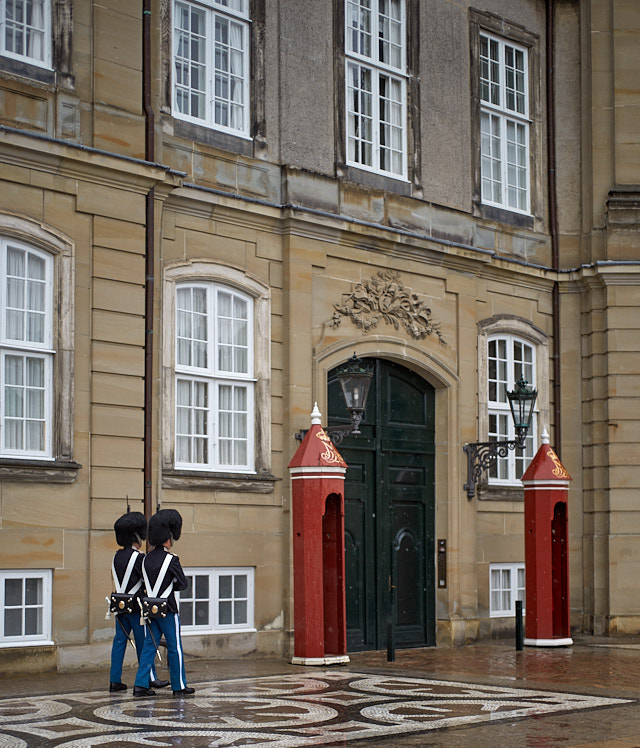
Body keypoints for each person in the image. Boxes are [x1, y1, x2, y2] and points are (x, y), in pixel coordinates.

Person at [133, 508, 194, 697]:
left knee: (150, 646)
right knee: (175, 646)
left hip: (150, 608)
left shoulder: (144, 560)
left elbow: (143, 582)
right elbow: (182, 584)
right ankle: (179, 685)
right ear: (168, 537)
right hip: (167, 608)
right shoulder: (171, 559)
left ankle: (141, 684)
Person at [108, 511, 169, 693]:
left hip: (120, 604)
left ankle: (114, 680)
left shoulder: (116, 556)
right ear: (136, 535)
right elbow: (147, 580)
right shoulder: (139, 558)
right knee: (144, 642)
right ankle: (149, 679)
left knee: (119, 641)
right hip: (136, 606)